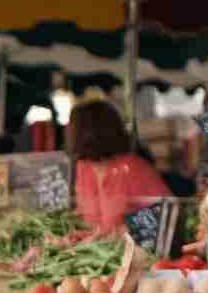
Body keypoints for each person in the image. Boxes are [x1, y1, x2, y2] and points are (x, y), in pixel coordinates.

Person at [69, 99, 170, 235]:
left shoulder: (132, 168)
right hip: (97, 251)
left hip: (132, 252)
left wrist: (124, 231)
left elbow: (167, 212)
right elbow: (86, 216)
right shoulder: (83, 168)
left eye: (72, 128)